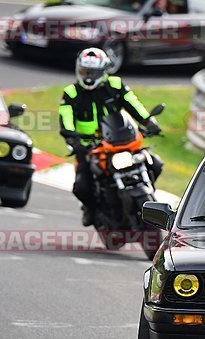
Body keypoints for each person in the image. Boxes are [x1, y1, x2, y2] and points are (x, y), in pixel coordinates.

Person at [59, 47, 162, 226]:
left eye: (94, 71)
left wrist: (148, 122)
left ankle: (148, 191)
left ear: (103, 71)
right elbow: (66, 117)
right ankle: (90, 209)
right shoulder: (71, 93)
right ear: (78, 70)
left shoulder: (115, 85)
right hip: (89, 146)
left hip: (120, 140)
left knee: (157, 164)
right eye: (85, 71)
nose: (89, 76)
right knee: (81, 186)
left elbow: (133, 103)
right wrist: (72, 138)